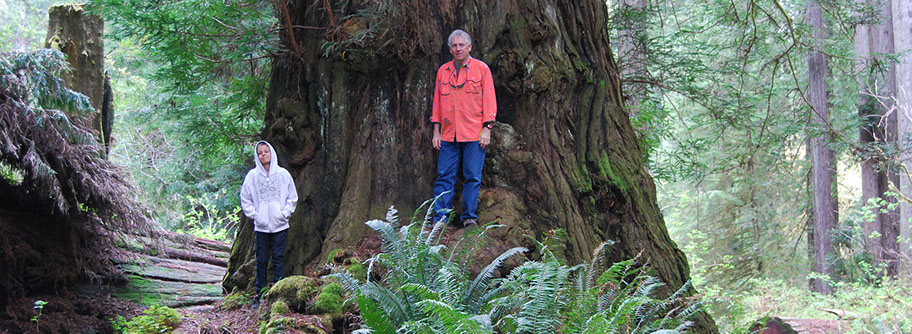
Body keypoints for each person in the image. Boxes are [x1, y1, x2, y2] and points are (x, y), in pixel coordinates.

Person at [430, 29, 497, 227]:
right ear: (450, 49)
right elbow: (437, 104)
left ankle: (468, 217)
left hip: (475, 133)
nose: (458, 49)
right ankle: (440, 219)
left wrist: (487, 128)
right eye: (454, 46)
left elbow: (489, 101)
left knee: (472, 176)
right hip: (448, 134)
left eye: (462, 45)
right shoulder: (443, 71)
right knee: (444, 176)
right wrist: (436, 131)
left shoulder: (481, 69)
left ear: (469, 47)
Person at [240, 140, 298, 307]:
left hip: (280, 225)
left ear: (272, 153)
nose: (263, 154)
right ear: (257, 156)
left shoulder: (283, 174)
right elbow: (246, 199)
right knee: (261, 261)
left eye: (266, 151)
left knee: (279, 258)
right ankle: (259, 295)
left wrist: (284, 213)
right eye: (260, 152)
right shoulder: (252, 176)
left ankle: (278, 295)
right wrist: (256, 216)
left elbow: (292, 197)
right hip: (261, 226)